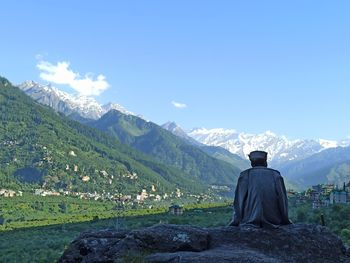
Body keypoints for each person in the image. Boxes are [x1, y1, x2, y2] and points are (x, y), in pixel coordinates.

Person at [229, 150, 291, 228]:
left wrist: (236, 221)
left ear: (252, 163)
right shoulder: (275, 175)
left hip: (249, 220)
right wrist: (285, 219)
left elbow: (239, 202)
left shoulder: (245, 175)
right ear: (265, 162)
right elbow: (282, 200)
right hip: (274, 220)